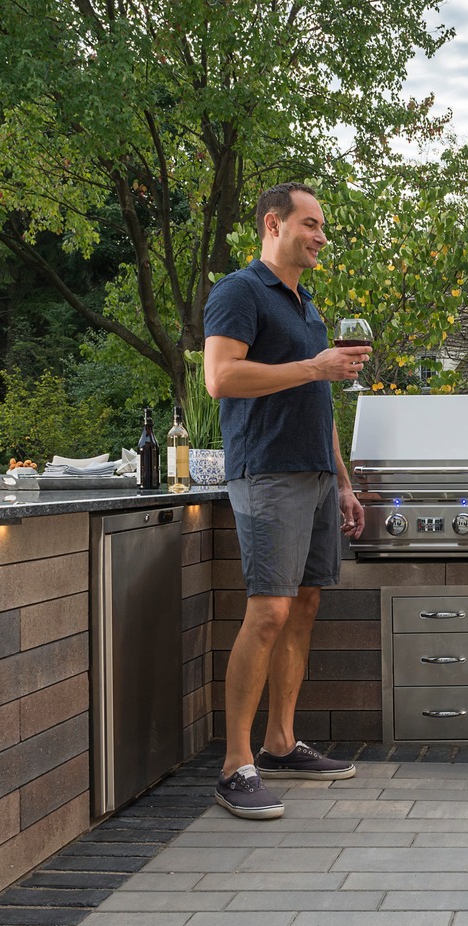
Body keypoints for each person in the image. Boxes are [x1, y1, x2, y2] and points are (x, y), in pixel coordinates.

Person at [202, 182, 368, 819]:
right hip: (266, 474)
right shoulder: (239, 291)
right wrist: (314, 368)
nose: (321, 236)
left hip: (316, 476)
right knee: (267, 611)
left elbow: (319, 402)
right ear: (273, 224)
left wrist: (344, 480)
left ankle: (279, 742)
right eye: (311, 224)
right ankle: (234, 764)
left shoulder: (308, 306)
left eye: (322, 226)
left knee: (303, 606)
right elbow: (220, 377)